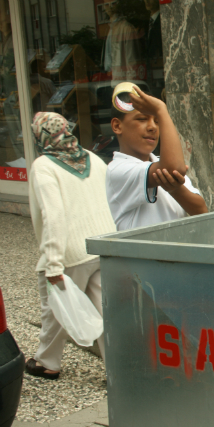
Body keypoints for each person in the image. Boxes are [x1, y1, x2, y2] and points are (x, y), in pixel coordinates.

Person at [26, 112, 116, 380]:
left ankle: (47, 362)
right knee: (103, 310)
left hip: (71, 254)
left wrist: (53, 262)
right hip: (102, 246)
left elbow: (53, 216)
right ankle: (117, 371)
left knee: (55, 308)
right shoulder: (93, 158)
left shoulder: (43, 166)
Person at [106, 86, 208, 231]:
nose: (153, 127)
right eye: (142, 119)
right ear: (117, 126)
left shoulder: (161, 163)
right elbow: (174, 169)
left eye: (157, 121)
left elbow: (201, 211)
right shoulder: (117, 169)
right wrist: (161, 110)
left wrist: (174, 189)